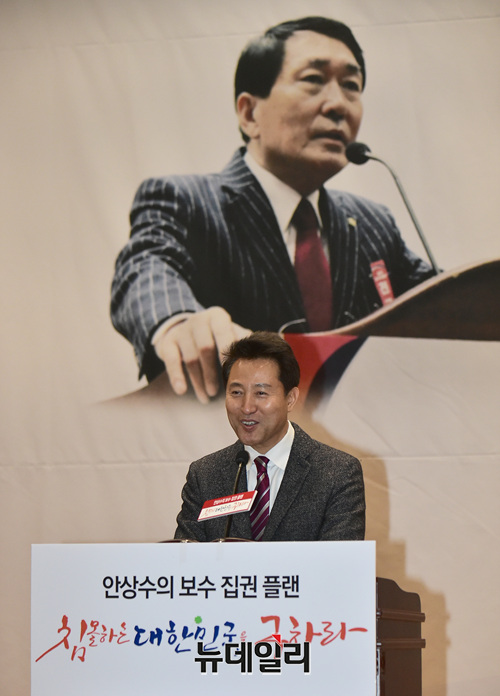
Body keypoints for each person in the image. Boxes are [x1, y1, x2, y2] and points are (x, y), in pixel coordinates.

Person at [111, 16, 434, 403]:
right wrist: (179, 321)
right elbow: (145, 269)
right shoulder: (184, 200)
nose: (338, 105)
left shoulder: (373, 223)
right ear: (249, 113)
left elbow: (444, 306)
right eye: (313, 79)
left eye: (351, 86)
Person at [174, 331, 365, 542]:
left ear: (290, 399)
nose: (247, 407)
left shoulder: (337, 473)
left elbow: (340, 560)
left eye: (261, 393)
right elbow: (184, 558)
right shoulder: (205, 476)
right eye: (236, 392)